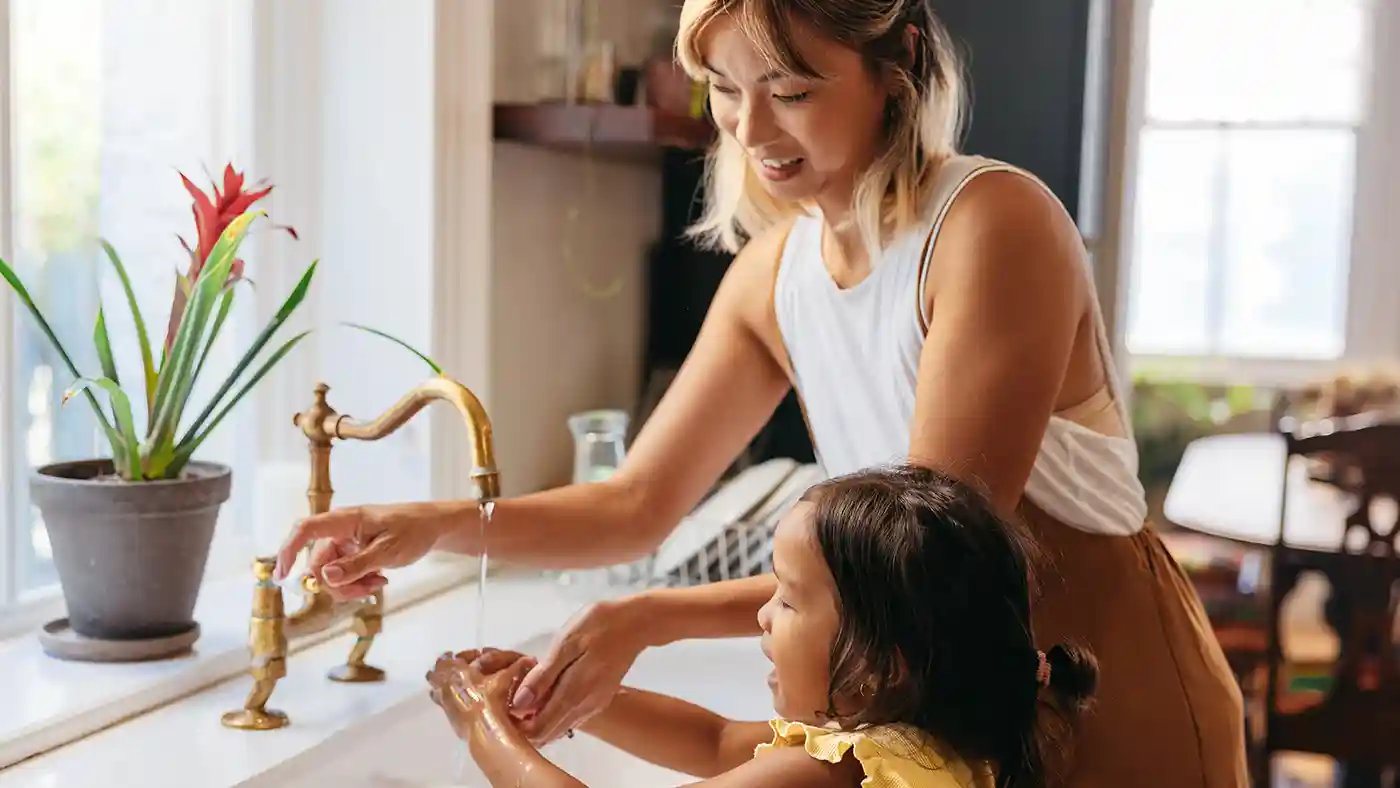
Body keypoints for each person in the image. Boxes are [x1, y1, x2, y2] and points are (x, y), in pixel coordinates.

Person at [275, 0, 1248, 783]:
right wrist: (431, 522)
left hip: (1106, 685)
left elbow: (912, 565)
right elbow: (632, 502)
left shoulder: (991, 226)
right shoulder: (772, 275)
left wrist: (647, 614)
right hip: (927, 711)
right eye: (722, 90)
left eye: (788, 87)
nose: (749, 130)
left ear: (896, 61)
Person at [426, 465, 1099, 788]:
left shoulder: (844, 774)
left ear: (881, 663)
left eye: (788, 598)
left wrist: (481, 726)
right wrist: (564, 698)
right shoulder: (928, 743)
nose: (760, 614)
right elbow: (716, 742)